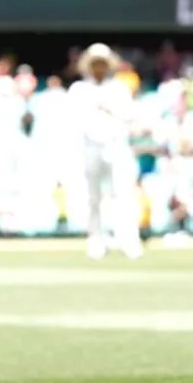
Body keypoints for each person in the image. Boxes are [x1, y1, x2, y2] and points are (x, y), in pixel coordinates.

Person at [70, 43, 143, 260]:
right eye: (95, 64)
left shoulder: (118, 88)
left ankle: (129, 240)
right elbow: (74, 120)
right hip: (90, 147)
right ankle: (96, 240)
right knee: (93, 197)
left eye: (102, 63)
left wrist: (110, 109)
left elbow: (129, 115)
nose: (99, 68)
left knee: (123, 194)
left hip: (116, 146)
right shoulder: (79, 89)